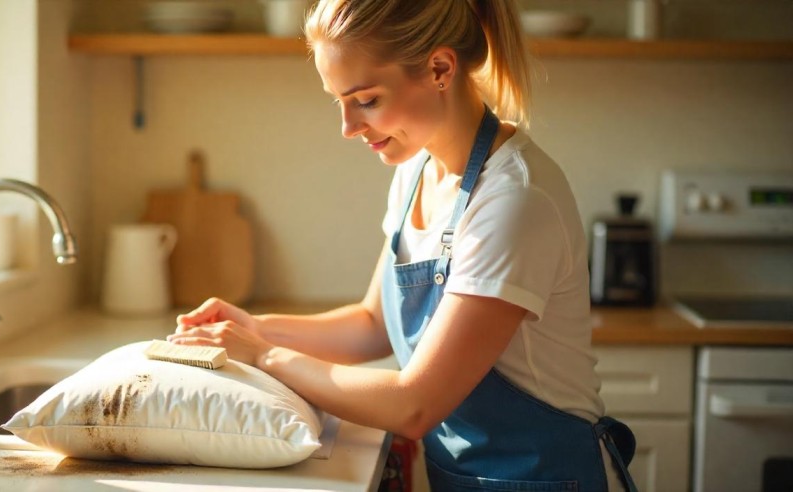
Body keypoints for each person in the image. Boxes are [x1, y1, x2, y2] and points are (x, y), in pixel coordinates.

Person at [168, 1, 638, 490]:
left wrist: (265, 356)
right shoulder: (416, 171)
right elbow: (372, 326)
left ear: (439, 68)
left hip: (548, 480)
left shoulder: (513, 201)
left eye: (366, 100)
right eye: (339, 101)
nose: (348, 127)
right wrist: (253, 329)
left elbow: (414, 404)